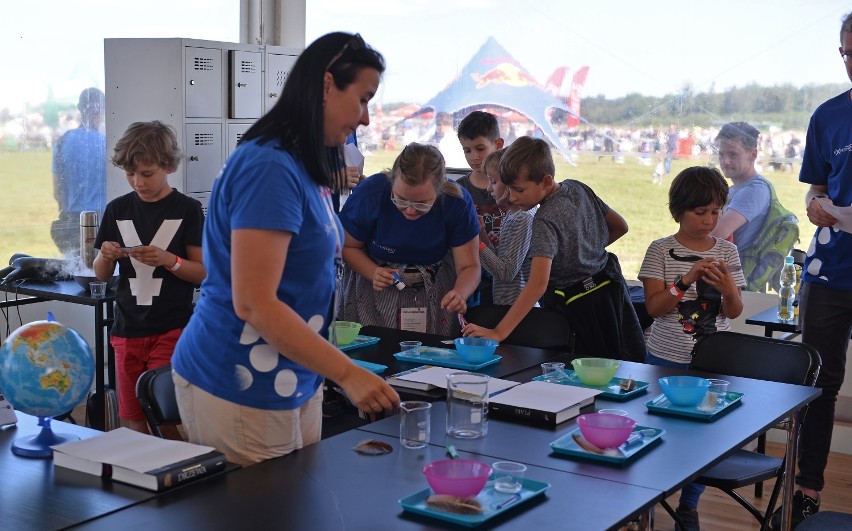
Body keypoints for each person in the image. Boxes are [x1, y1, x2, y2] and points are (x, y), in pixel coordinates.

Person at [170, 32, 400, 466]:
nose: (366, 118)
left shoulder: (305, 163)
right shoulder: (270, 167)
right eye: (363, 99)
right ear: (327, 86)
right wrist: (347, 373)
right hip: (238, 378)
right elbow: (255, 304)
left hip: (294, 375)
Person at [770, 12, 852, 528]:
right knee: (818, 383)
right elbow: (817, 187)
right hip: (830, 274)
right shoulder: (828, 116)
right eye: (846, 53)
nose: (850, 62)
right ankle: (806, 491)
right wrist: (818, 204)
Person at [461, 136, 645, 361]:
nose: (513, 196)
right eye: (508, 188)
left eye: (519, 189)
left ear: (546, 181)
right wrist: (585, 252)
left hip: (580, 307)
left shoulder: (543, 220)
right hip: (609, 292)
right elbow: (620, 226)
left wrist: (498, 332)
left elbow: (538, 284)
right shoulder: (578, 187)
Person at [638, 166, 745, 531]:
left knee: (703, 437)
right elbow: (653, 309)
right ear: (679, 210)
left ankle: (689, 505)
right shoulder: (660, 250)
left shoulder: (728, 251)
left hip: (713, 362)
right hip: (665, 359)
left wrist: (729, 288)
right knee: (658, 430)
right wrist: (685, 280)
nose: (709, 220)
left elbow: (733, 311)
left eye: (715, 212)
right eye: (701, 212)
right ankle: (646, 497)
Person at [92, 121, 206, 438]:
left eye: (146, 174)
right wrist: (106, 255)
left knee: (167, 417)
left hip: (171, 328)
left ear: (168, 166)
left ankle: (179, 478)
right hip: (126, 329)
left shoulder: (188, 209)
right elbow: (100, 274)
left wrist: (171, 260)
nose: (137, 182)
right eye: (130, 174)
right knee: (132, 418)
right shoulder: (117, 209)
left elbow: (202, 272)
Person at [337, 142, 481, 337]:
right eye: (401, 200)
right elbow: (346, 246)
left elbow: (469, 266)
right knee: (375, 350)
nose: (410, 211)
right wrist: (372, 272)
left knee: (428, 351)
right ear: (391, 182)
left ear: (440, 191)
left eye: (422, 204)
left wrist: (460, 293)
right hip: (374, 286)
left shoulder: (457, 202)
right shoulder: (371, 193)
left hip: (434, 287)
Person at [453, 110, 506, 306]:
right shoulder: (459, 190)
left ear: (498, 144)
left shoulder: (514, 187)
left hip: (511, 280)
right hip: (474, 281)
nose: (474, 157)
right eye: (467, 150)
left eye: (480, 148)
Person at [51, 87, 107, 258]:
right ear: (103, 109)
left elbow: (57, 190)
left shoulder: (63, 141)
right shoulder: (107, 142)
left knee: (75, 272)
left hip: (72, 220)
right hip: (103, 219)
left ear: (79, 108)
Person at [477, 147, 533, 305]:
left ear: (511, 183)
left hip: (516, 307)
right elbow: (499, 264)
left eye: (493, 181)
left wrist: (477, 245)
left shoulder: (524, 218)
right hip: (505, 303)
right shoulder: (512, 215)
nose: (489, 188)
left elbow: (506, 273)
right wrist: (482, 234)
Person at [709, 122, 771, 266]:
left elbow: (715, 236)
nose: (725, 161)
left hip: (735, 281)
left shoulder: (754, 190)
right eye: (721, 154)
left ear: (753, 154)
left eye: (733, 154)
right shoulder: (735, 189)